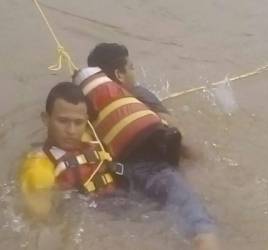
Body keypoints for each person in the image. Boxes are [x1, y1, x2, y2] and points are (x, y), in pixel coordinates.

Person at [72, 43, 220, 250]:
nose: (134, 72)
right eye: (131, 67)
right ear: (119, 75)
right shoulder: (139, 94)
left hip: (117, 179)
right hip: (154, 170)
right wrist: (202, 159)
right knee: (200, 224)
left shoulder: (83, 104)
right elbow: (172, 132)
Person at [19, 82, 122, 219]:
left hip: (125, 199)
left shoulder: (89, 138)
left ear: (86, 122)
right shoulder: (39, 168)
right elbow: (40, 217)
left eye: (78, 123)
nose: (71, 131)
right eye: (62, 121)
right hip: (98, 218)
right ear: (46, 119)